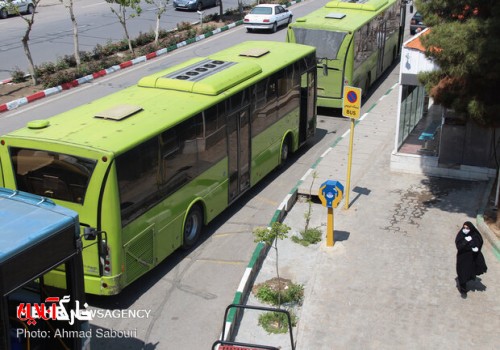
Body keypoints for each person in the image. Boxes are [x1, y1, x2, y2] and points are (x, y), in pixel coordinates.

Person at [455, 221, 488, 296]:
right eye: (464, 228)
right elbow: (459, 246)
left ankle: (468, 279)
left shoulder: (474, 235)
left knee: (469, 271)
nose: (465, 229)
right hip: (462, 258)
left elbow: (479, 241)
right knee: (462, 273)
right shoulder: (461, 235)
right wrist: (465, 241)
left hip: (471, 258)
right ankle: (463, 290)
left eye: (467, 228)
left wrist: (476, 247)